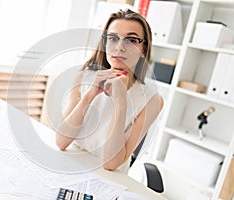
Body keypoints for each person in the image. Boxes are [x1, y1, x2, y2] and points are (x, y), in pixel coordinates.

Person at [55, 9, 164, 172]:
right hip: (72, 165)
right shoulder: (83, 77)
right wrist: (90, 95)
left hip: (108, 178)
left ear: (143, 48)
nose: (119, 47)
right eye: (113, 38)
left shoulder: (152, 100)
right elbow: (61, 142)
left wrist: (120, 102)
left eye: (131, 40)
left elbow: (111, 164)